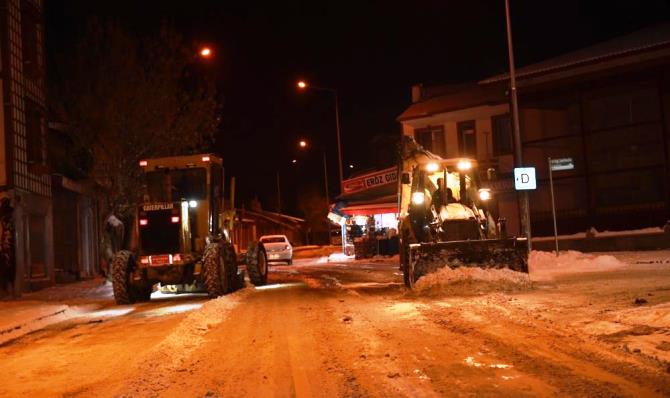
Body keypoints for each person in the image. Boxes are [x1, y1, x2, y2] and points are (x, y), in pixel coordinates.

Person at [0, 198, 15, 297]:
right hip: (9, 245)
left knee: (4, 268)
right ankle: (8, 287)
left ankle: (5, 288)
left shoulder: (3, 216)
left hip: (4, 245)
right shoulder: (11, 214)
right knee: (8, 267)